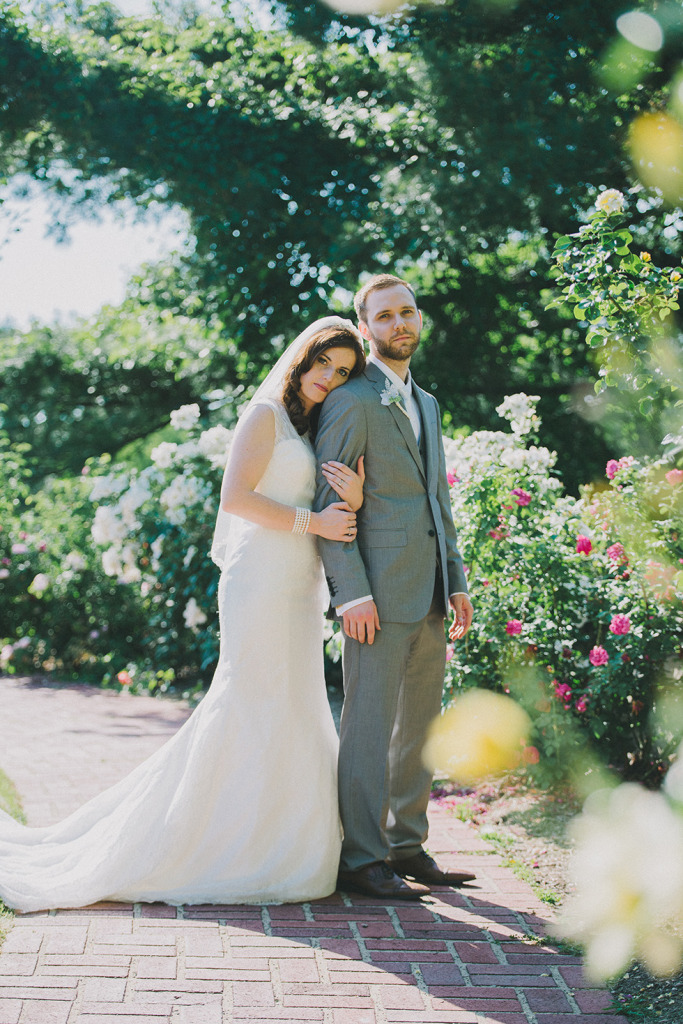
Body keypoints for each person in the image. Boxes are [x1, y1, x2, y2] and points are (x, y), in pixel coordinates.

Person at [0, 317, 366, 912]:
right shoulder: (265, 415)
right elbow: (237, 499)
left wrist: (347, 502)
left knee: (295, 700)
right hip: (260, 579)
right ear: (303, 356)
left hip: (300, 583)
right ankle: (203, 845)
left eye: (343, 371)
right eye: (324, 362)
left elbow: (322, 502)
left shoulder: (313, 424)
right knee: (249, 699)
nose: (330, 377)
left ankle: (279, 844)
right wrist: (314, 522)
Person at [314, 276, 475, 901]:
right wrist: (351, 593)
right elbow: (331, 507)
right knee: (368, 724)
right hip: (374, 597)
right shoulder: (351, 400)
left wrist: (456, 581)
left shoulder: (427, 402)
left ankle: (408, 845)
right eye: (385, 316)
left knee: (419, 727)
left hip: (431, 590)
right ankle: (363, 857)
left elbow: (438, 499)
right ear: (365, 327)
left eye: (407, 312)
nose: (399, 324)